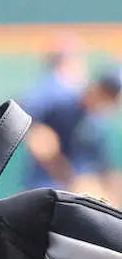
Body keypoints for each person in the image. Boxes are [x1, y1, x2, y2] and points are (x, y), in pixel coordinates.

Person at [21, 64, 122, 203]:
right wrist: (36, 129)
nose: (107, 99)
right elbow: (19, 109)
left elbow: (104, 167)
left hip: (80, 193)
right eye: (106, 91)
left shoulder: (98, 123)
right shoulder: (63, 101)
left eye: (112, 96)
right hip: (46, 191)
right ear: (97, 87)